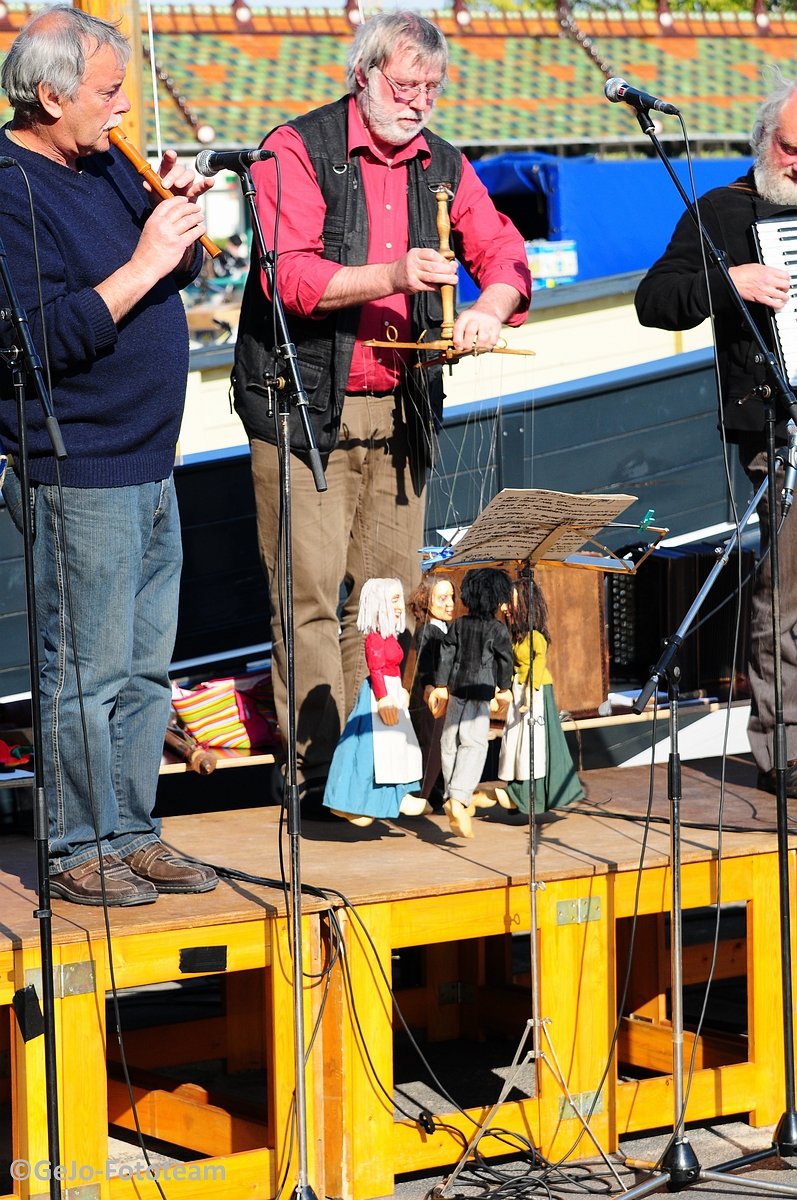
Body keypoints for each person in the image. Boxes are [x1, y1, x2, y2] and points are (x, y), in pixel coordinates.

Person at [232, 10, 532, 813]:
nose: (420, 101)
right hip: (303, 408)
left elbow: (502, 252)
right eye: (405, 85)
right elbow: (289, 281)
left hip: (400, 412)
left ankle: (376, 772)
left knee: (388, 598)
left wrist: (490, 310)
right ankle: (315, 782)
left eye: (432, 87)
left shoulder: (442, 161)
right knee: (309, 599)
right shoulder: (293, 148)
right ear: (361, 75)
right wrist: (395, 274)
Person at [0, 5, 218, 904]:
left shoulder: (104, 164)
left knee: (143, 669)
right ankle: (75, 846)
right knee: (82, 676)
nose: (123, 108)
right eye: (108, 90)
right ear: (51, 95)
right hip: (78, 463)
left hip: (150, 456)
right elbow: (33, 342)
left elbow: (182, 268)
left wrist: (178, 217)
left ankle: (132, 829)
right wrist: (142, 257)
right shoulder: (10, 190)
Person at [635, 73, 797, 798]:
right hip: (778, 425)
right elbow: (656, 300)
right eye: (792, 149)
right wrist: (731, 280)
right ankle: (782, 750)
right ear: (765, 142)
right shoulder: (722, 212)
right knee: (785, 595)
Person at [323, 578, 425, 826]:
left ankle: (393, 797)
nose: (400, 605)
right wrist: (383, 698)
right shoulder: (375, 640)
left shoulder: (389, 637)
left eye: (399, 598)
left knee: (398, 747)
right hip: (381, 697)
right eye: (394, 600)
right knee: (379, 750)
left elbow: (391, 668)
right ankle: (360, 802)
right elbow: (377, 669)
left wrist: (399, 689)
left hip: (392, 693)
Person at [427, 567, 514, 838]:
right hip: (480, 693)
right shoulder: (498, 629)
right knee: (474, 745)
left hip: (456, 691)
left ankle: (452, 793)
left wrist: (441, 685)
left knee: (450, 742)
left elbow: (446, 655)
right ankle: (459, 797)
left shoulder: (458, 625)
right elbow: (505, 661)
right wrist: (505, 688)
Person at [496, 572, 584, 813]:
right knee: (517, 742)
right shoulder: (515, 636)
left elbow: (538, 662)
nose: (505, 607)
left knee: (532, 745)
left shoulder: (536, 637)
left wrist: (529, 692)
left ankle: (527, 795)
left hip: (535, 693)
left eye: (510, 602)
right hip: (519, 692)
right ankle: (518, 791)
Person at [406, 572, 455, 809]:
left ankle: (434, 790)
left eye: (451, 597)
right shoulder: (428, 630)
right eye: (442, 598)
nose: (450, 604)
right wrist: (429, 686)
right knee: (432, 743)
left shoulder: (444, 629)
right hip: (433, 696)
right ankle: (422, 793)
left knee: (443, 743)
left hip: (445, 696)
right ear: (427, 602)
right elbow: (425, 664)